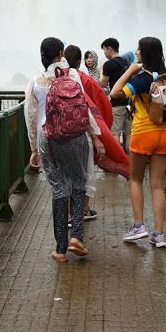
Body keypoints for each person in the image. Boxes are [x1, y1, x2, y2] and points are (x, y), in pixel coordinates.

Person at [25, 38, 105, 262]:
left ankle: (60, 250)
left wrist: (33, 149)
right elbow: (84, 108)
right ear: (60, 53)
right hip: (75, 136)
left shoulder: (34, 82)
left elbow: (31, 118)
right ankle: (76, 237)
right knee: (79, 183)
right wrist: (96, 135)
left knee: (59, 188)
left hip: (47, 139)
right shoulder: (71, 75)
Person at [110, 37, 166, 248]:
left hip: (143, 133)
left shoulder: (141, 79)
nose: (136, 52)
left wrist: (129, 71)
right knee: (157, 185)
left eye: (139, 49)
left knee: (136, 179)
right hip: (165, 134)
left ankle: (139, 226)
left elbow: (115, 93)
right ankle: (159, 235)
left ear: (145, 53)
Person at [64, 45, 130, 222]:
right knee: (86, 173)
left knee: (66, 175)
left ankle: (67, 214)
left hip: (59, 135)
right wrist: (100, 130)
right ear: (80, 61)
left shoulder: (55, 78)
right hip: (83, 133)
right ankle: (83, 210)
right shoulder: (83, 79)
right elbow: (100, 104)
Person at [99, 38, 132, 151]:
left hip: (116, 103)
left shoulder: (108, 64)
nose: (104, 53)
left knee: (115, 133)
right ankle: (131, 160)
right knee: (129, 133)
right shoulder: (127, 63)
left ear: (109, 48)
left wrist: (101, 71)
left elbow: (102, 84)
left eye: (104, 50)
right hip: (129, 103)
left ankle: (120, 161)